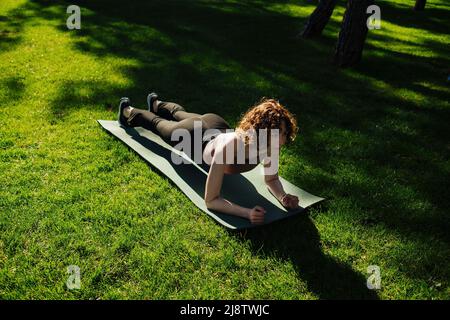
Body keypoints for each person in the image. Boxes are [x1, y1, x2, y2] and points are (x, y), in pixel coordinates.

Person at [118, 93, 299, 224]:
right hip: (193, 136)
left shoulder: (271, 144)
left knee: (181, 114)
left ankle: (157, 104)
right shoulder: (231, 146)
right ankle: (127, 110)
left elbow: (272, 178)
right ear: (261, 130)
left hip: (217, 124)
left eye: (283, 132)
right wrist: (246, 213)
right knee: (159, 125)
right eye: (279, 132)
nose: (282, 138)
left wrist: (283, 197)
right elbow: (211, 200)